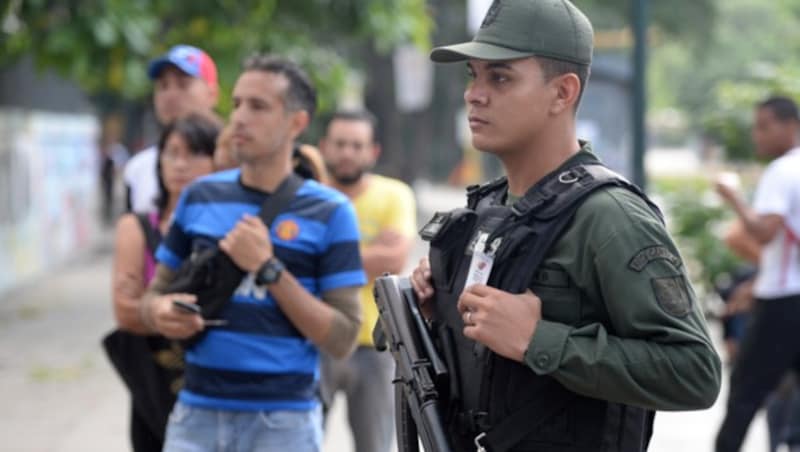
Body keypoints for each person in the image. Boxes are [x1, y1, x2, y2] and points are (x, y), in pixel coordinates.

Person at [408, 1, 721, 450]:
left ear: (563, 92)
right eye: (473, 75)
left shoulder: (610, 216)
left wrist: (539, 339)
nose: (474, 94)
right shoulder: (490, 207)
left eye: (500, 77)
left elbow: (695, 372)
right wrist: (437, 308)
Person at [139, 54, 366, 452]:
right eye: (237, 103)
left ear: (297, 122)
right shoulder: (199, 195)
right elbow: (152, 298)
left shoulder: (332, 212)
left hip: (283, 423)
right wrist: (162, 312)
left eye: (258, 106)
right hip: (195, 415)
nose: (240, 117)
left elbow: (344, 337)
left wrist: (267, 268)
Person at [111, 113, 221, 451]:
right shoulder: (138, 226)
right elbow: (125, 311)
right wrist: (162, 311)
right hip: (158, 379)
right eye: (171, 152)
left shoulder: (233, 225)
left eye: (194, 153)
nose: (180, 164)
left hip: (222, 382)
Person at [318, 110, 417, 452]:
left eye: (357, 145)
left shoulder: (395, 195)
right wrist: (370, 255)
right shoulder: (309, 196)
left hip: (376, 345)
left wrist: (325, 258)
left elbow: (394, 260)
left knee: (375, 445)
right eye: (340, 144)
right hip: (318, 340)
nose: (347, 152)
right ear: (324, 147)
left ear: (373, 151)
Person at [715, 96, 800, 452]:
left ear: (791, 125)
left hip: (782, 303)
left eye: (764, 126)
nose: (756, 135)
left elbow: (763, 232)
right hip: (783, 289)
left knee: (744, 395)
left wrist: (732, 197)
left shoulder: (782, 171)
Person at [124, 44, 219, 213]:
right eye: (163, 86)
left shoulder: (235, 161)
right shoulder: (138, 168)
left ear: (212, 94)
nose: (170, 95)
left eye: (183, 85)